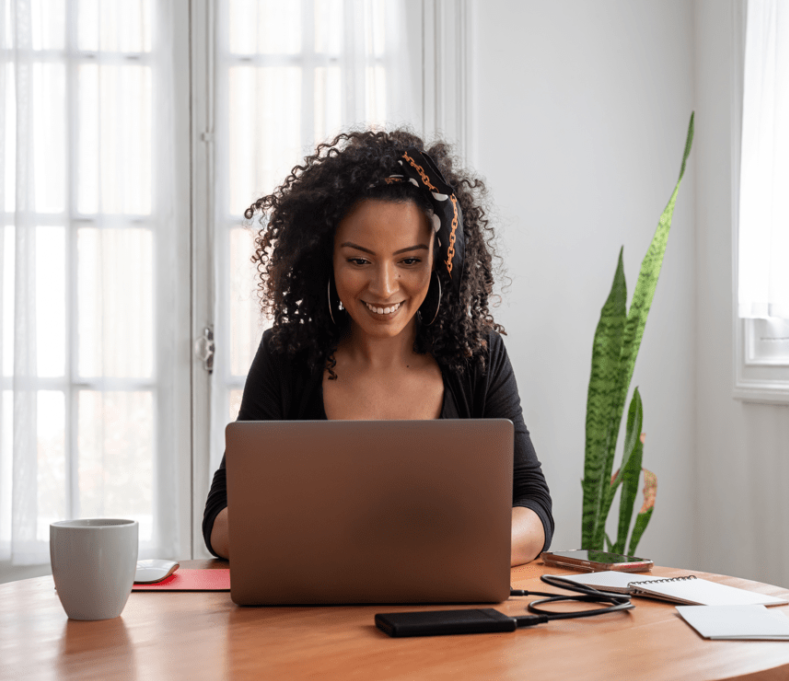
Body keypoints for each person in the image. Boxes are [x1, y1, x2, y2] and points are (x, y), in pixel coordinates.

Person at [202, 129, 553, 566]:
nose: (384, 288)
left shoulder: (479, 356)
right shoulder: (284, 356)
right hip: (312, 624)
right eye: (358, 260)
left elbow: (534, 509)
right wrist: (359, 548)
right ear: (325, 258)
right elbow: (221, 520)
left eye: (409, 260)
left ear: (443, 259)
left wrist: (438, 550)